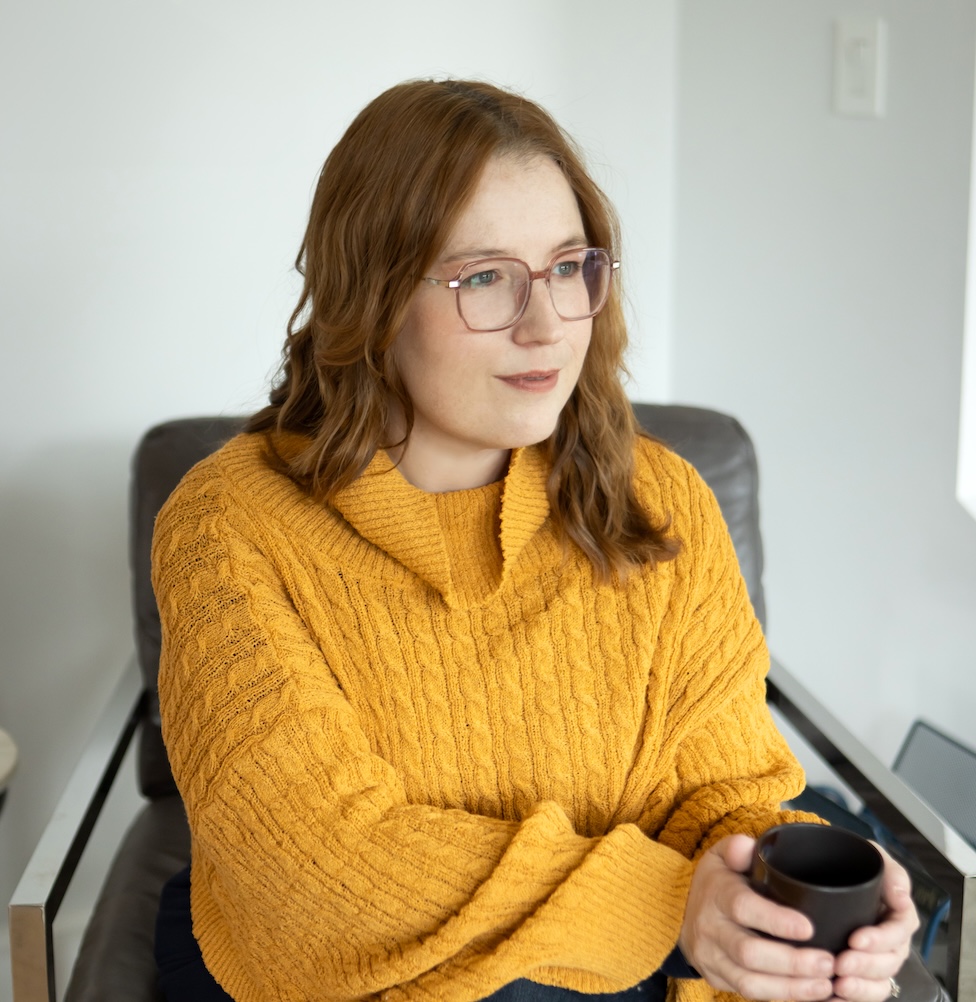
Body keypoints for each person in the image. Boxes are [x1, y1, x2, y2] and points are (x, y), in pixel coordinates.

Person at [151, 79, 918, 1002]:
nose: (547, 323)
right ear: (373, 297)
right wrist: (673, 906)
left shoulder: (659, 499)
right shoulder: (229, 524)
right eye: (484, 278)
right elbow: (318, 873)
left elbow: (724, 794)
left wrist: (779, 905)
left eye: (566, 267)